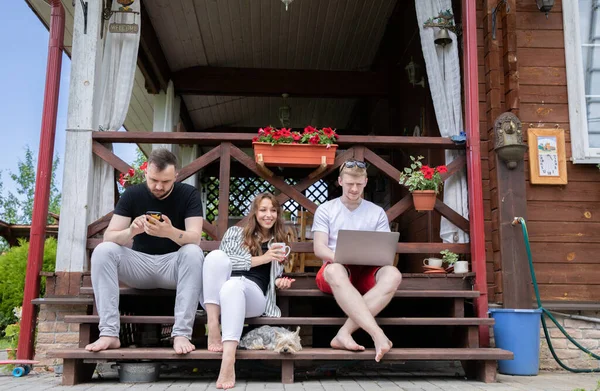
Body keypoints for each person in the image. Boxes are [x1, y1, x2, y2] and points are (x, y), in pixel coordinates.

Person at [85, 148, 204, 355]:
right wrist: (131, 231)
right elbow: (109, 236)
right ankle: (109, 334)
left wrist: (170, 232)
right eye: (153, 180)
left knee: (193, 253)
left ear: (175, 176)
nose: (158, 186)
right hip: (138, 266)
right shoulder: (132, 194)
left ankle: (182, 333)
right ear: (146, 172)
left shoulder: (188, 194)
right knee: (103, 251)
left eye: (165, 182)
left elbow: (195, 238)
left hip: (172, 267)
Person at [312, 159, 403, 362]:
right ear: (340, 181)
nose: (354, 189)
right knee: (335, 270)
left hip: (367, 270)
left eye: (359, 184)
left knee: (393, 274)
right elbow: (319, 248)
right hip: (335, 270)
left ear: (365, 182)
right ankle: (377, 334)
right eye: (350, 183)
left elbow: (384, 247)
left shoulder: (376, 212)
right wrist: (341, 257)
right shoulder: (326, 209)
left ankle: (344, 333)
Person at [202, 193, 295, 389]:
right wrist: (263, 258)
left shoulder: (278, 244)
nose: (268, 215)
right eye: (263, 210)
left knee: (234, 285)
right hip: (219, 295)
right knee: (215, 257)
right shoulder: (235, 233)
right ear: (254, 212)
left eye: (273, 211)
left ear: (278, 214)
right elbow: (227, 260)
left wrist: (280, 282)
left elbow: (274, 276)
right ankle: (213, 326)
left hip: (253, 296)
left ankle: (228, 361)